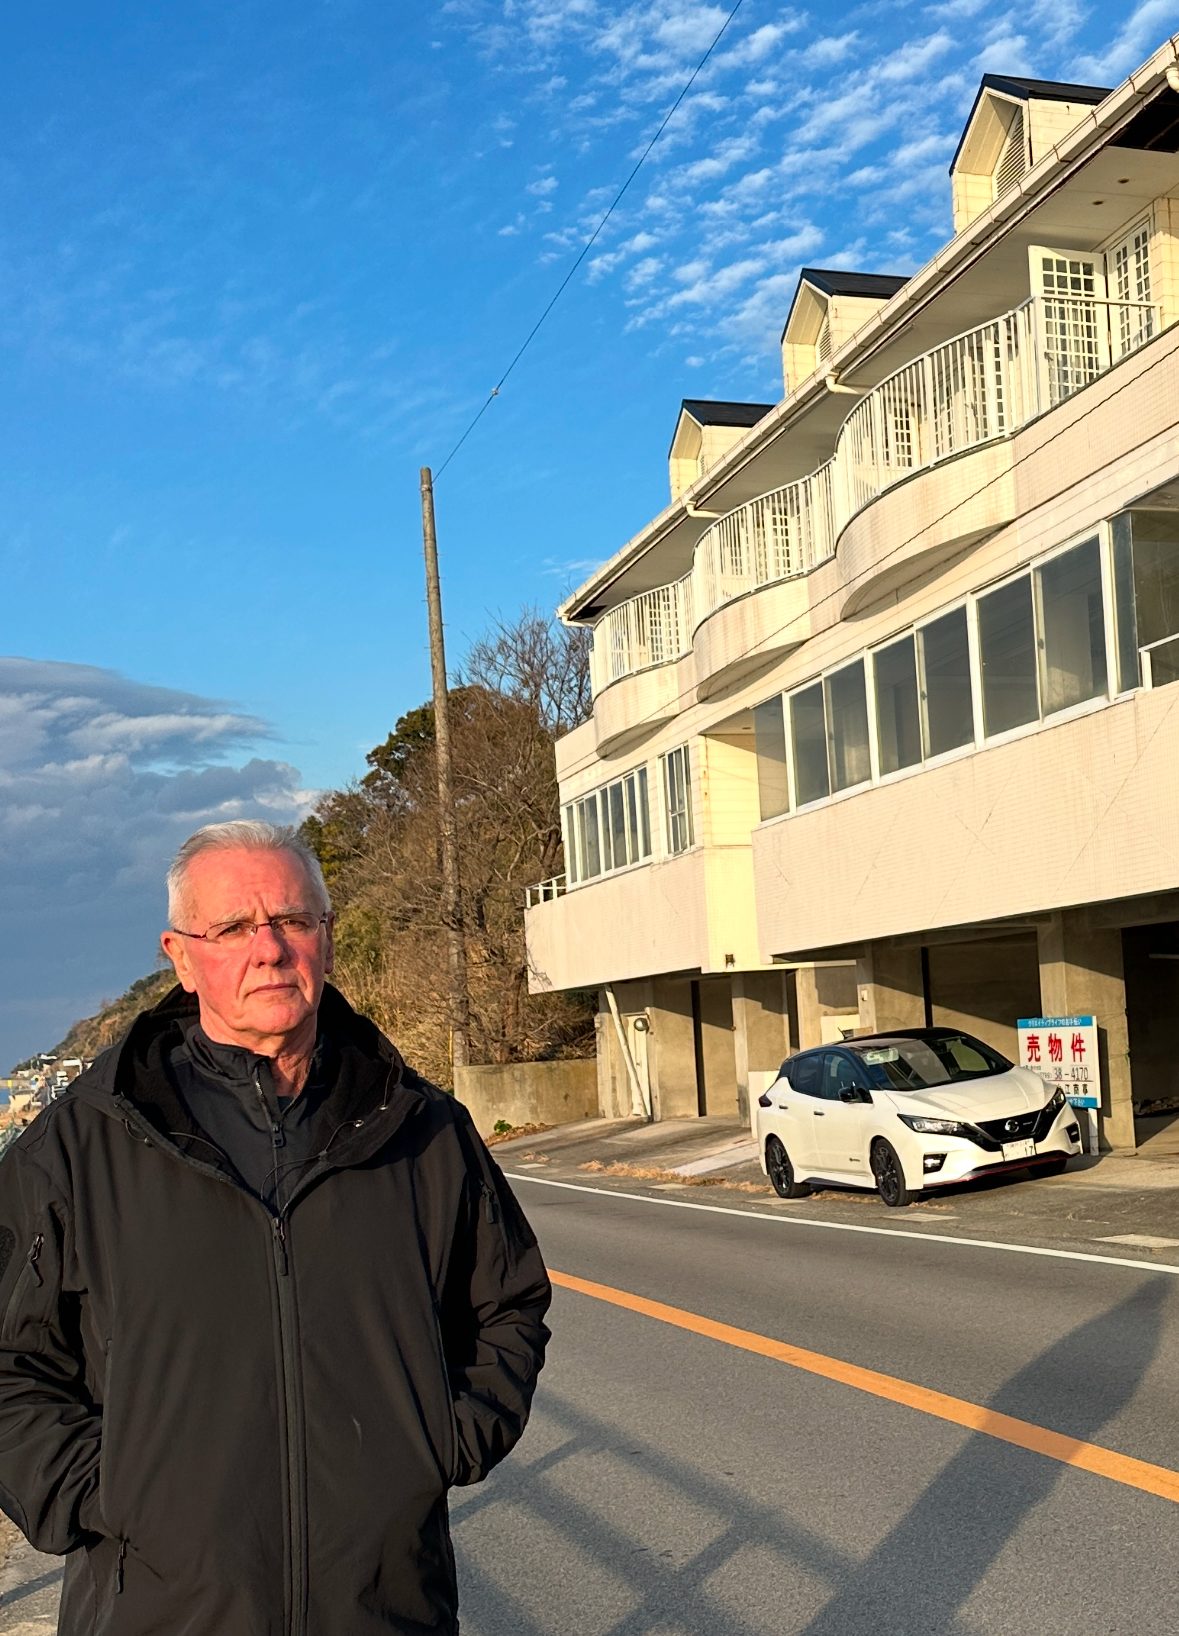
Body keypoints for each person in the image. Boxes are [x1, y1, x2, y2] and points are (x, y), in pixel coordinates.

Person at [0, 820, 551, 1634]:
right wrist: (102, 1494)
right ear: (181, 956)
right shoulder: (82, 1146)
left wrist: (443, 1443)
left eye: (293, 920)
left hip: (384, 1608)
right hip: (161, 1611)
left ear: (326, 942)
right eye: (231, 928)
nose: (269, 949)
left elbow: (506, 1304)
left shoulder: (421, 1129)